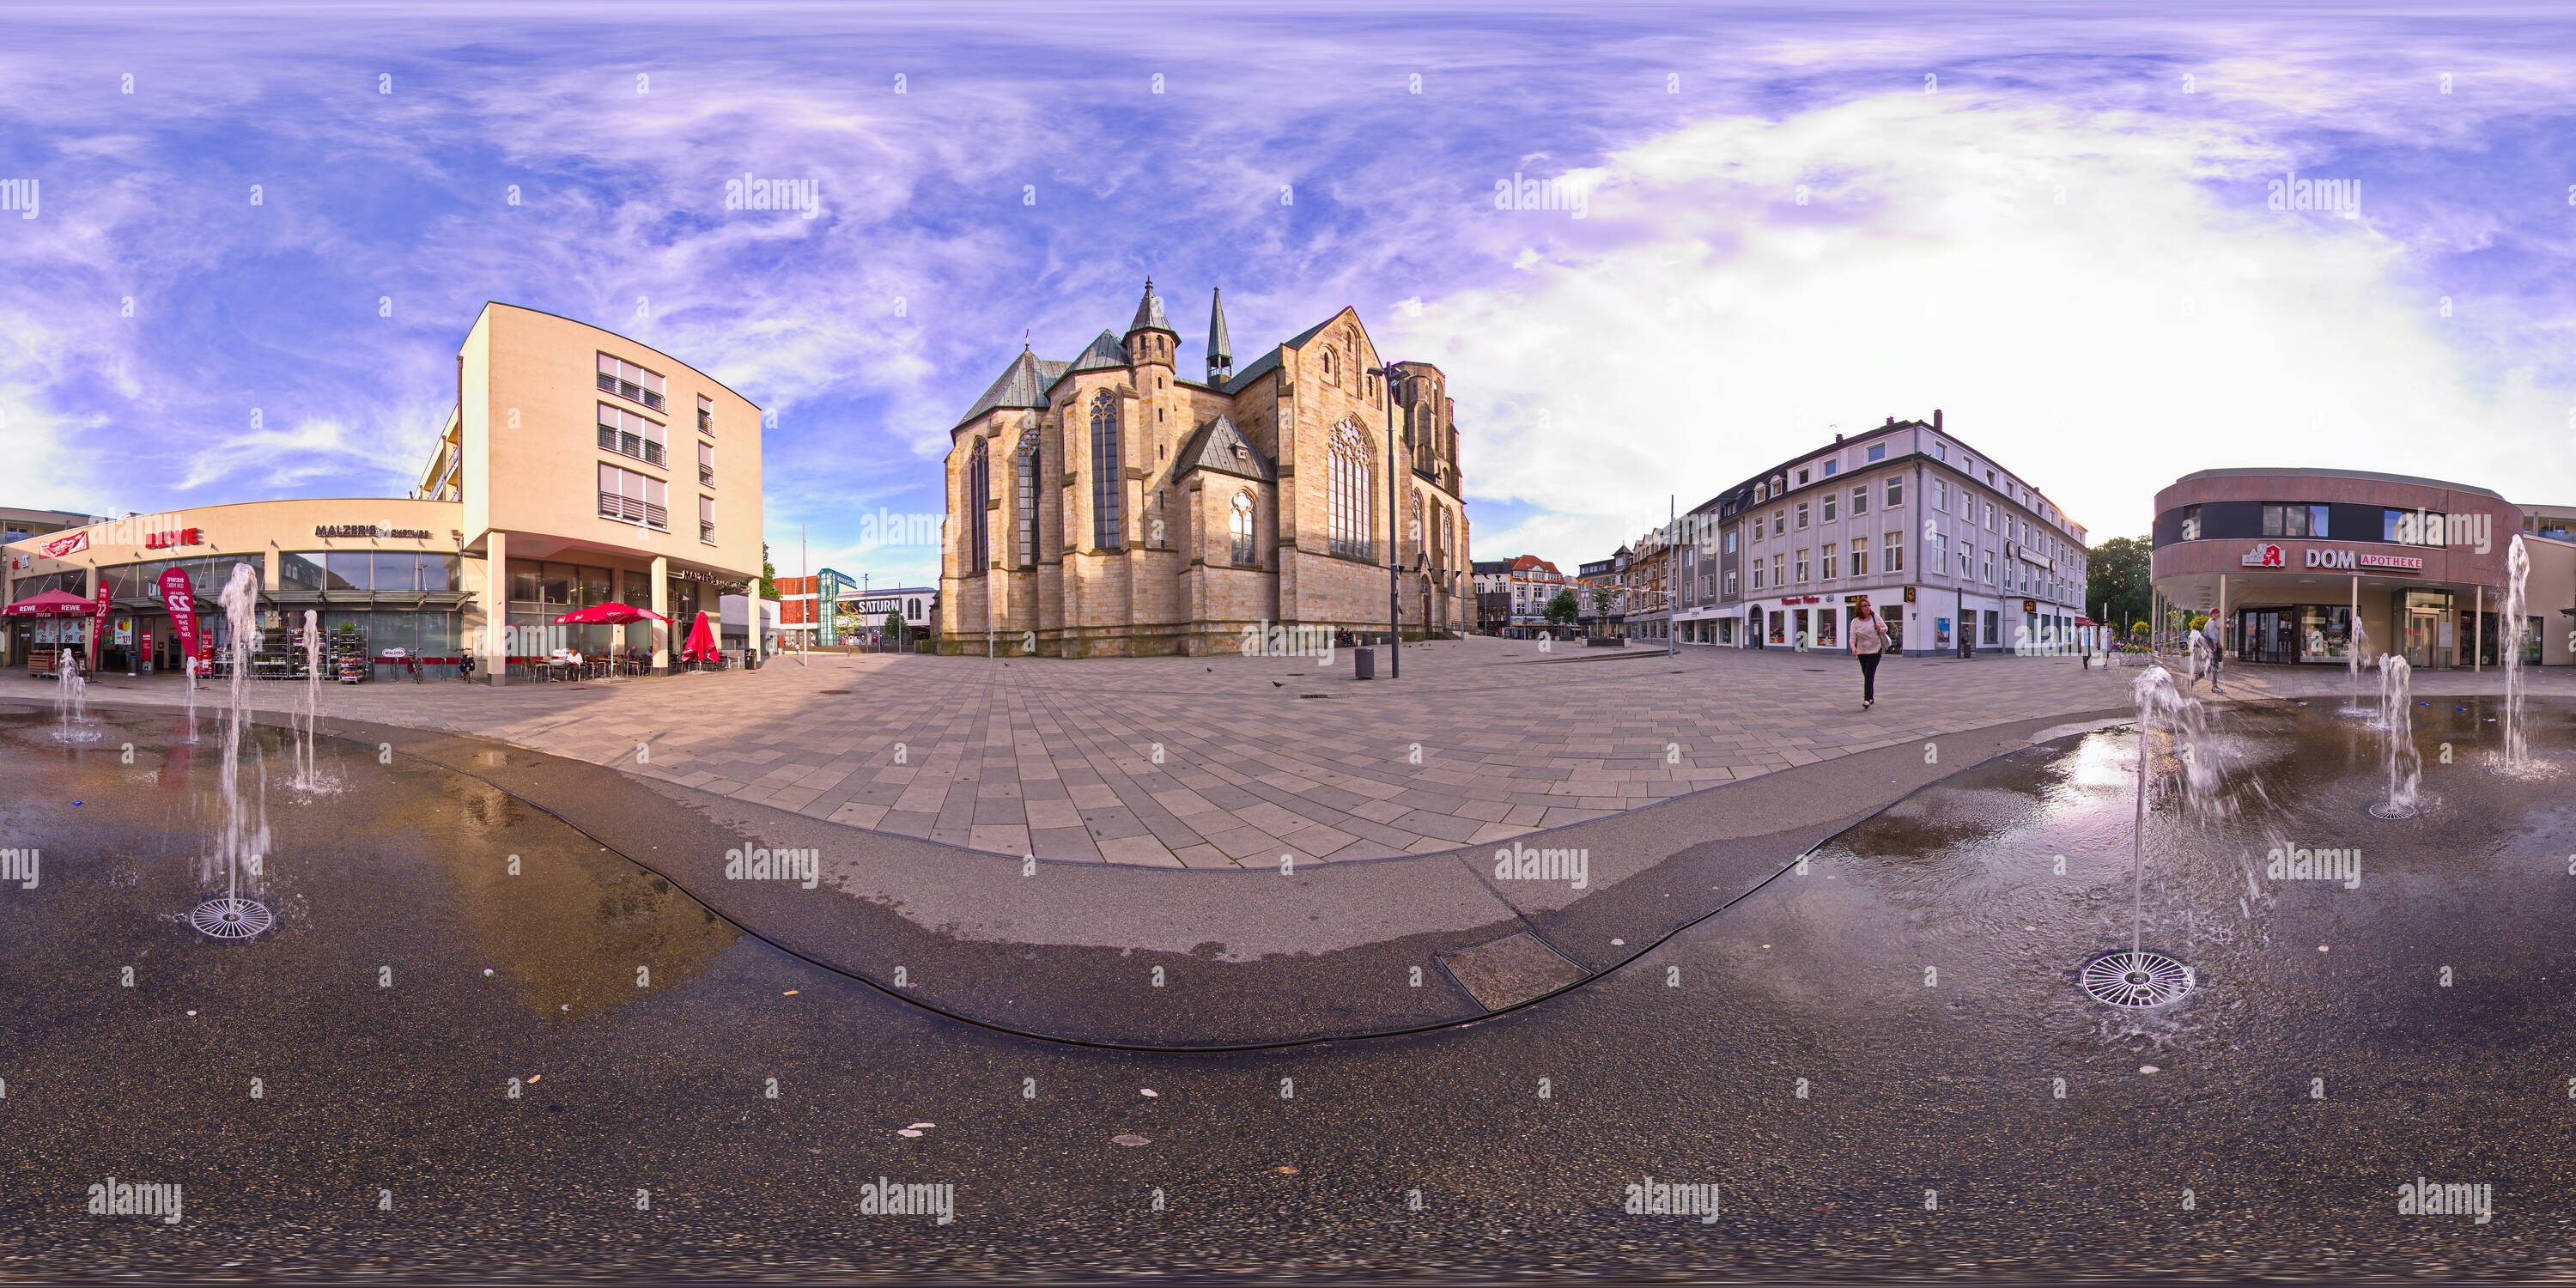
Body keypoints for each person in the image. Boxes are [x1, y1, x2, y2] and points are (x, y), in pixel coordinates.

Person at [1849, 596, 1889, 711]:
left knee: (1869, 674)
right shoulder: (1855, 622)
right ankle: (1871, 697)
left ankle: (1866, 699)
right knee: (1866, 674)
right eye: (1865, 606)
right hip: (1862, 651)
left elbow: (1885, 628)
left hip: (1875, 650)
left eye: (1869, 605)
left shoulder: (1875, 616)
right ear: (1859, 608)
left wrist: (1879, 628)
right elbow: (1852, 637)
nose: (1868, 607)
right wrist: (1853, 648)